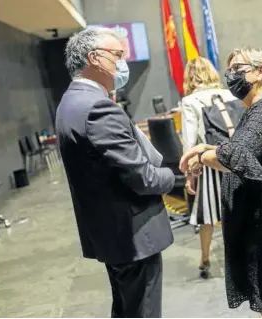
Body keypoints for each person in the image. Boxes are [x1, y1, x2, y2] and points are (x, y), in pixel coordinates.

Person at [180, 48, 262, 318]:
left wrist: (202, 157)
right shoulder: (259, 108)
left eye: (238, 69)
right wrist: (208, 147)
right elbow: (243, 147)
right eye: (229, 70)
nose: (231, 75)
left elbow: (236, 155)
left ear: (261, 71)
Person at [56, 27, 175, 318]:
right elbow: (144, 178)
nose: (123, 62)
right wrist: (172, 176)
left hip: (111, 232)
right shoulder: (97, 107)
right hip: (132, 234)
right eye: (118, 55)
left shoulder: (71, 101)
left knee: (126, 309)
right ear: (95, 58)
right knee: (142, 310)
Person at [181, 57, 240, 278]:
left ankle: (205, 258)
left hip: (211, 161)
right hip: (237, 159)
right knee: (239, 209)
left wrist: (189, 174)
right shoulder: (230, 94)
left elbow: (189, 141)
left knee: (207, 214)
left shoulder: (190, 101)